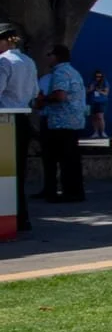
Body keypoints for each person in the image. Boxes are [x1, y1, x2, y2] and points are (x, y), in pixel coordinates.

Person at [38, 43, 88, 203]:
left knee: (63, 159)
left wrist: (43, 100)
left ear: (56, 56)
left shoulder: (60, 73)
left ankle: (70, 193)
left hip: (61, 122)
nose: (48, 59)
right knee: (71, 159)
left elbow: (60, 96)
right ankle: (74, 191)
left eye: (50, 55)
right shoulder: (73, 72)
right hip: (73, 121)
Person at [0, 24, 38, 230]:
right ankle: (21, 217)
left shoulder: (3, 62)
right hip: (23, 120)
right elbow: (34, 92)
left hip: (5, 122)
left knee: (4, 175)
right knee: (18, 173)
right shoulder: (29, 61)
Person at [86, 70, 110, 140]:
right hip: (92, 101)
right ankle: (95, 132)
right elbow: (87, 91)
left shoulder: (105, 82)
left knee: (100, 117)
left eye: (100, 76)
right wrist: (91, 89)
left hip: (101, 102)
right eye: (97, 76)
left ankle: (102, 132)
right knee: (94, 117)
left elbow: (106, 93)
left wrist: (99, 90)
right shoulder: (92, 82)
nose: (98, 78)